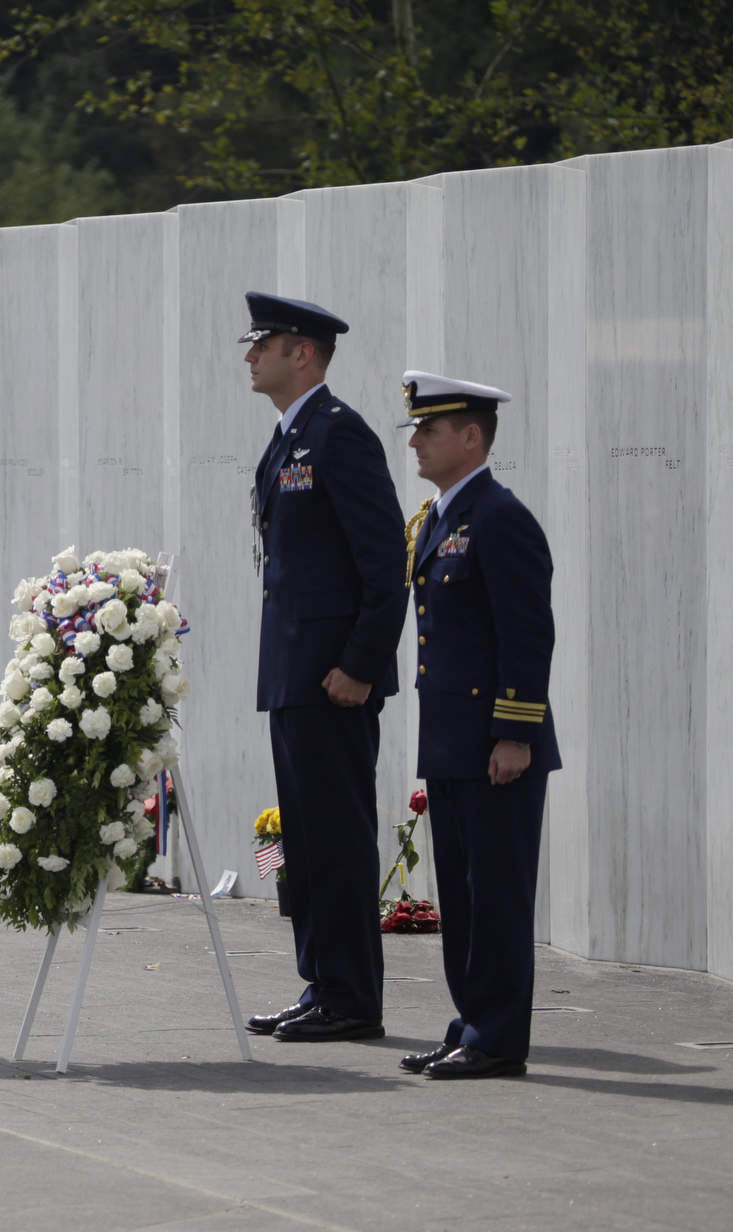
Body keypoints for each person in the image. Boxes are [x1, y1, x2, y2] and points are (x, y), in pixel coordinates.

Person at [238, 291, 407, 1043]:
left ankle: (352, 997)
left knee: (337, 838)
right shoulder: (287, 440)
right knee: (304, 842)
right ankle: (322, 982)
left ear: (300, 352)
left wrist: (360, 665)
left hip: (335, 681)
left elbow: (384, 564)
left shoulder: (340, 437)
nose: (250, 356)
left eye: (261, 344)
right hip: (294, 675)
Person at [395, 372, 560, 1080]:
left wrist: (515, 733)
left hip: (499, 745)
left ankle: (497, 1038)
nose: (415, 443)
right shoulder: (436, 518)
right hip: (454, 741)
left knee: (496, 893)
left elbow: (528, 635)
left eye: (428, 430)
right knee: (460, 897)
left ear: (470, 436)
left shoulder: (500, 518)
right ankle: (470, 1024)